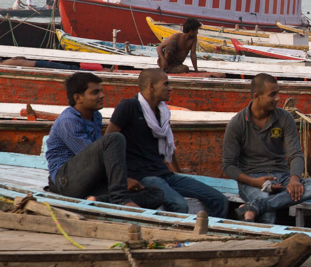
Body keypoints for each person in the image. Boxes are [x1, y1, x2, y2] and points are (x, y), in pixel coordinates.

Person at [105, 68, 230, 217]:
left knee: (219, 199)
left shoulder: (162, 112)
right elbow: (108, 144)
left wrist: (177, 170)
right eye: (166, 84)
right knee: (179, 205)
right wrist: (123, 179)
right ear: (151, 86)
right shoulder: (128, 107)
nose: (170, 88)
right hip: (141, 176)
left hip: (164, 173)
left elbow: (169, 145)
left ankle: (208, 236)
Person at [221, 73, 311, 222]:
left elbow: (296, 154)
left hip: (282, 177)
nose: (278, 98)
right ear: (257, 97)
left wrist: (294, 179)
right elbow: (228, 165)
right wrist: (254, 182)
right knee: (268, 215)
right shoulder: (237, 123)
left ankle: (254, 207)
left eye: (278, 93)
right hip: (252, 179)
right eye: (272, 95)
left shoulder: (285, 118)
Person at [46, 72, 154, 207]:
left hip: (89, 179)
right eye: (95, 92)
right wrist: (123, 180)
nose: (102, 95)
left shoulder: (96, 115)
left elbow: (99, 157)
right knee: (114, 138)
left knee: (154, 194)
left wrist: (122, 179)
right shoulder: (68, 121)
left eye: (101, 91)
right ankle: (121, 199)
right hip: (66, 181)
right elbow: (92, 156)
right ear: (78, 97)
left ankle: (98, 201)